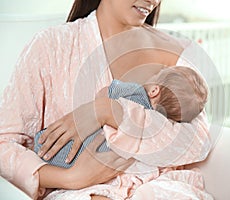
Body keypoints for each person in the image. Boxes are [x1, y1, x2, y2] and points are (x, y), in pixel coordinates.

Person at [0, 0, 218, 199]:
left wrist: (110, 112)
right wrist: (70, 178)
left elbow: (197, 142)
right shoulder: (52, 46)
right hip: (78, 191)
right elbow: (4, 143)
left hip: (157, 185)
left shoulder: (174, 52)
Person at [34, 66, 209, 169]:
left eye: (156, 76)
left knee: (47, 143)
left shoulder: (136, 91)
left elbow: (103, 94)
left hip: (63, 147)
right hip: (90, 163)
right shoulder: (153, 128)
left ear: (155, 90)